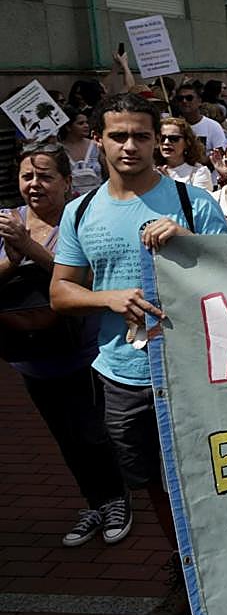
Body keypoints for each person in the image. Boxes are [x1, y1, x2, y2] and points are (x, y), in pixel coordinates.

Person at [50, 93, 227, 615]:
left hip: (195, 374)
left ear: (160, 141)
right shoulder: (80, 210)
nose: (130, 146)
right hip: (122, 376)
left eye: (141, 136)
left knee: (210, 475)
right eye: (118, 135)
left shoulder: (193, 203)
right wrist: (106, 299)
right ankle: (185, 566)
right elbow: (60, 291)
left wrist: (188, 243)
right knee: (153, 481)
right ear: (99, 141)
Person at [0, 144, 128, 548]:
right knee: (65, 436)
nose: (34, 185)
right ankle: (94, 501)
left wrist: (30, 249)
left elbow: (86, 280)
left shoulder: (81, 219)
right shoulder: (7, 223)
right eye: (27, 177)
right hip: (30, 357)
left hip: (83, 353)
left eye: (45, 177)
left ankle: (117, 501)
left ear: (67, 182)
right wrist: (12, 256)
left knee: (94, 432)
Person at [158, 117, 214, 191]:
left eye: (174, 138)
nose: (166, 142)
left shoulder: (199, 172)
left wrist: (168, 183)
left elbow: (199, 201)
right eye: (162, 138)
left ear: (187, 142)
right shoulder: (151, 170)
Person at [58, 106, 104, 195]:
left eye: (87, 122)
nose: (86, 126)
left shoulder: (96, 145)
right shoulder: (60, 149)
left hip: (97, 196)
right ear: (68, 127)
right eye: (80, 123)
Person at [172, 81, 227, 153]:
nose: (184, 101)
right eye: (180, 98)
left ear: (199, 101)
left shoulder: (213, 126)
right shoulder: (173, 126)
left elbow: (220, 154)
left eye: (189, 98)